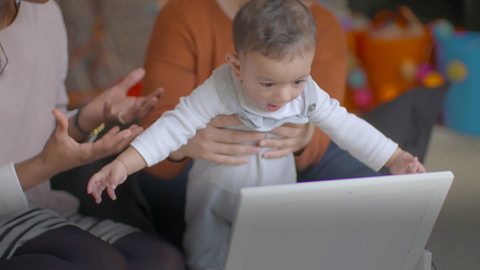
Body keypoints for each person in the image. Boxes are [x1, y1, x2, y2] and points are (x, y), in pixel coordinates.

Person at [87, 1, 426, 269]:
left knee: (273, 255)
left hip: (273, 193)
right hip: (215, 195)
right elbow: (171, 126)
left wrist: (395, 157)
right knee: (206, 257)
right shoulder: (220, 87)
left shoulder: (306, 92)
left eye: (297, 80)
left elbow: (346, 125)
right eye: (267, 84)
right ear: (237, 67)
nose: (282, 97)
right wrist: (123, 164)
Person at [137, 0, 367, 249]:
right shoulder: (185, 14)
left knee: (363, 185)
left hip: (285, 167)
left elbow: (327, 127)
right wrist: (184, 144)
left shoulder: (324, 24)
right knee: (175, 194)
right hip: (198, 170)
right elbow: (155, 136)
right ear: (235, 64)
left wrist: (306, 137)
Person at [0, 0, 184, 269]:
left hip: (36, 209)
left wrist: (89, 118)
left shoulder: (46, 13)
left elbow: (47, 128)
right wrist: (44, 166)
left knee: (161, 261)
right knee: (98, 263)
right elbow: (44, 160)